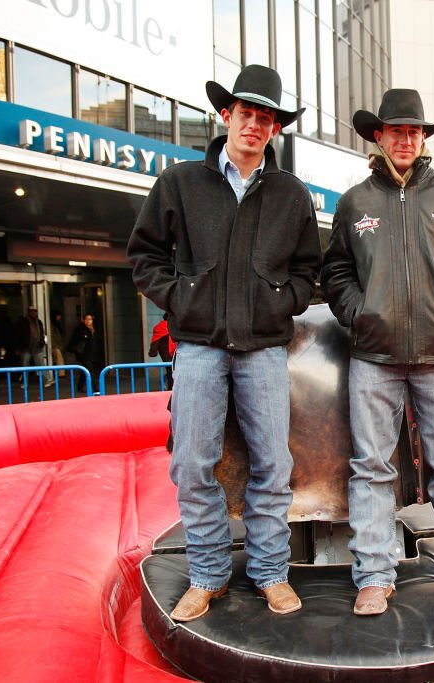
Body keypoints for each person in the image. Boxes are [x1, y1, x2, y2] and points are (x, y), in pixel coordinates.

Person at [127, 65, 320, 622]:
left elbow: (312, 269)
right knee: (192, 464)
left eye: (266, 118)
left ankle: (269, 573)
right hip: (198, 346)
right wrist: (182, 299)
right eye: (246, 114)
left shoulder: (291, 194)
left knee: (272, 464)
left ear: (275, 129)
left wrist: (281, 299)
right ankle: (208, 574)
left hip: (263, 348)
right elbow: (144, 257)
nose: (254, 125)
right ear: (225, 116)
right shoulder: (179, 182)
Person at [321, 87, 434, 617]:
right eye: (395, 130)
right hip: (373, 358)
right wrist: (361, 315)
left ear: (424, 138)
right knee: (371, 466)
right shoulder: (355, 201)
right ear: (378, 137)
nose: (405, 139)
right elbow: (335, 271)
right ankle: (375, 576)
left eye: (414, 130)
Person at [66, 313, 105, 393]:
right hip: (83, 354)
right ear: (83, 320)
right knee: (90, 371)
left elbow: (96, 341)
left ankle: (80, 387)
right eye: (87, 319)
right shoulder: (80, 329)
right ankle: (96, 389)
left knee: (85, 371)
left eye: (90, 319)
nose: (88, 321)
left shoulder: (93, 329)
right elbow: (75, 341)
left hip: (91, 353)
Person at [15, 306, 52, 385]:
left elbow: (41, 333)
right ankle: (24, 382)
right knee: (25, 365)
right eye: (32, 311)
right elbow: (18, 335)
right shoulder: (23, 322)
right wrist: (18, 347)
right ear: (28, 312)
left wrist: (42, 342)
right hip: (26, 346)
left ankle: (48, 379)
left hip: (37, 345)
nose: (34, 313)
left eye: (35, 311)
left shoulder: (38, 322)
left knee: (40, 363)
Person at [149, 313, 176, 387]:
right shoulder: (174, 327)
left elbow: (155, 341)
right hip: (175, 353)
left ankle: (170, 388)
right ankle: (172, 389)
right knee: (172, 371)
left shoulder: (159, 327)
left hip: (165, 354)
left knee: (170, 370)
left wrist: (152, 352)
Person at [49, 310, 67, 377]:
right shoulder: (51, 325)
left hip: (57, 344)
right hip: (55, 345)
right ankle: (61, 373)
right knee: (59, 359)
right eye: (58, 316)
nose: (60, 317)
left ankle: (60, 373)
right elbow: (53, 337)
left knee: (58, 359)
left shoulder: (57, 325)